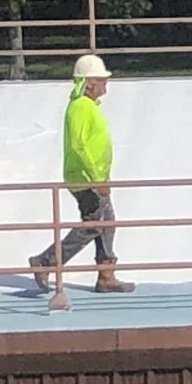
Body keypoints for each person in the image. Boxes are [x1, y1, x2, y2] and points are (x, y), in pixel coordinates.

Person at [30, 54, 135, 293]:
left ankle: (106, 274)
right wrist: (97, 179)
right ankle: (46, 261)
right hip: (86, 179)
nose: (105, 84)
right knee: (94, 224)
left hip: (93, 177)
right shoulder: (80, 107)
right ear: (89, 82)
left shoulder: (87, 106)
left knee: (106, 222)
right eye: (101, 80)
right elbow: (79, 146)